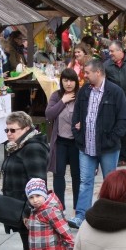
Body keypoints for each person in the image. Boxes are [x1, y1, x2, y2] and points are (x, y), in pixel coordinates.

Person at [68, 59, 126, 229]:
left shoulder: (115, 91)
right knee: (85, 181)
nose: (84, 75)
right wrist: (77, 133)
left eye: (87, 72)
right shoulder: (84, 92)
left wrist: (112, 138)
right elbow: (77, 116)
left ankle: (109, 214)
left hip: (108, 147)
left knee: (110, 182)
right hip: (86, 146)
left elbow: (124, 119)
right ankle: (81, 215)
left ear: (98, 72)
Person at [0, 111, 49, 250]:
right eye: (7, 130)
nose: (9, 133)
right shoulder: (18, 147)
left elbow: (37, 184)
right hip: (18, 209)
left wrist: (29, 213)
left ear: (26, 129)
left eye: (13, 130)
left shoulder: (32, 148)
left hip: (28, 212)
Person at [45, 68, 80, 210]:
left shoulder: (81, 96)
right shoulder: (56, 96)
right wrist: (63, 101)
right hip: (60, 141)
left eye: (71, 80)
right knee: (58, 174)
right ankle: (59, 207)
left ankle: (79, 208)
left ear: (76, 82)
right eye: (65, 80)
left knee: (77, 176)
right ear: (61, 82)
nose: (68, 83)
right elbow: (49, 114)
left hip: (76, 143)